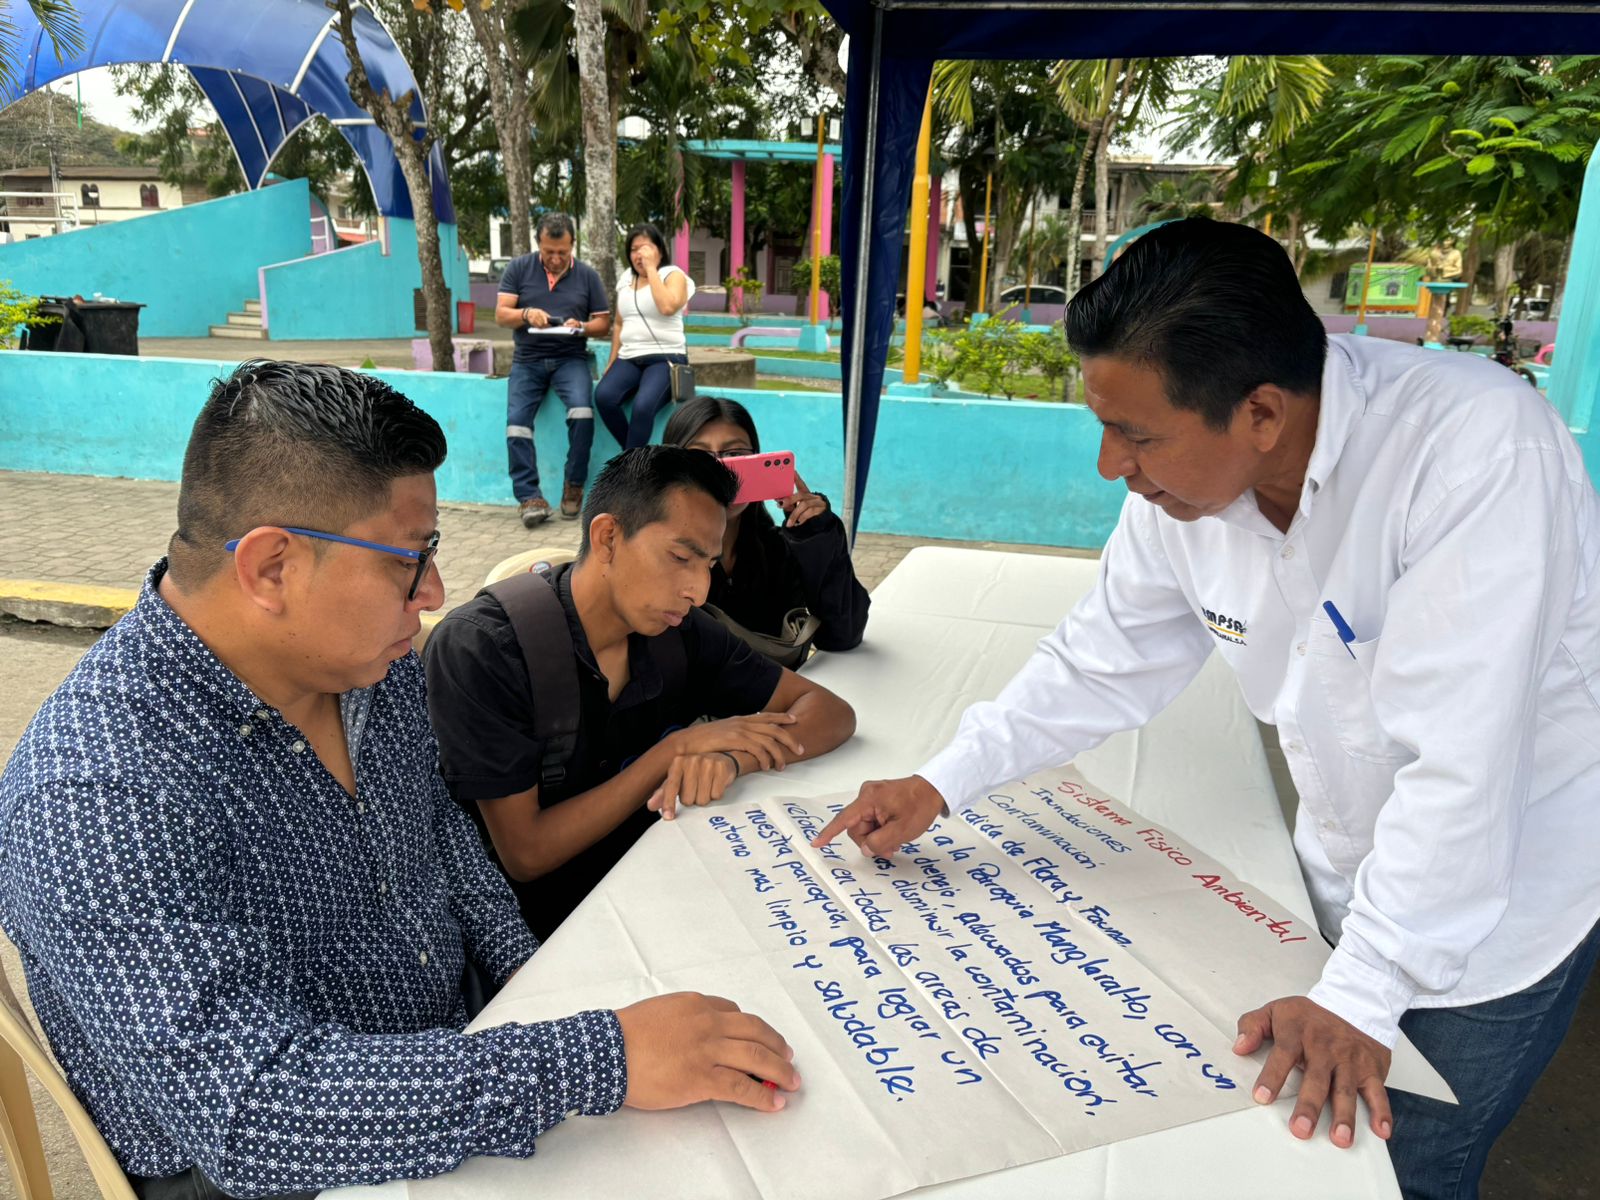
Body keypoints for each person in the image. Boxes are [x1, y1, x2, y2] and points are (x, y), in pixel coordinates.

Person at [814, 219, 1600, 1200]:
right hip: (1347, 874)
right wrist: (944, 780)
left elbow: (1462, 768)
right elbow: (1101, 659)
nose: (1111, 466)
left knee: (1410, 1171)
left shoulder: (1473, 454)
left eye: (1137, 435)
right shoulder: (1179, 497)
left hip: (1500, 907)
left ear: (1261, 413)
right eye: (1106, 427)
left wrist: (1362, 992)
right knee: (1314, 1159)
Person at [0, 362, 800, 1200]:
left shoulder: (366, 668)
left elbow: (445, 838)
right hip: (277, 1163)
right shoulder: (96, 795)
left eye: (433, 552)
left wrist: (536, 980)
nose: (436, 593)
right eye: (408, 561)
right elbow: (254, 1114)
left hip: (458, 1040)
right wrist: (599, 1059)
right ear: (272, 568)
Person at [424, 445, 857, 940]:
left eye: (708, 564)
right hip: (532, 936)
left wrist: (731, 760)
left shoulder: (678, 631)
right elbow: (526, 855)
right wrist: (673, 752)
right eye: (680, 557)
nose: (698, 590)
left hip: (656, 890)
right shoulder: (484, 649)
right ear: (607, 537)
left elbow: (830, 712)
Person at [662, 396, 869, 655]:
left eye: (735, 455)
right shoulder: (654, 554)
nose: (721, 472)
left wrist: (816, 536)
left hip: (780, 681)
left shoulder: (779, 549)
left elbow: (843, 635)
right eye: (699, 456)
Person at [495, 212, 612, 525]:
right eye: (549, 252)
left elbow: (603, 323)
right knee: (517, 424)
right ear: (538, 244)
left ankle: (574, 485)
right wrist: (526, 314)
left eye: (563, 252)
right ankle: (529, 497)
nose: (556, 258)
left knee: (583, 414)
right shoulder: (519, 268)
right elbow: (501, 314)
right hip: (527, 358)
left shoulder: (587, 276)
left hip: (570, 358)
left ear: (572, 245)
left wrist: (581, 326)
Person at [595, 224, 696, 450]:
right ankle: (633, 458)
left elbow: (667, 307)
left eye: (646, 248)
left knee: (643, 407)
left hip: (665, 359)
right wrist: (612, 361)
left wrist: (651, 270)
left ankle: (631, 465)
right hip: (629, 357)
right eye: (634, 249)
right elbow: (619, 323)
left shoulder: (673, 275)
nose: (639, 254)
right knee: (604, 396)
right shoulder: (626, 280)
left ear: (659, 250)